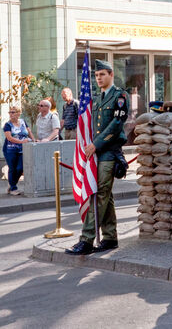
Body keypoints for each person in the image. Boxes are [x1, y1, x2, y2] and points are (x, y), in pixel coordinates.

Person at [65, 59, 129, 255]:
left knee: (99, 194)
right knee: (105, 195)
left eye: (102, 74)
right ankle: (110, 237)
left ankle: (86, 239)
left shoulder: (120, 96)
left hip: (109, 152)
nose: (98, 78)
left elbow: (117, 124)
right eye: (96, 75)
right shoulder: (97, 99)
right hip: (96, 154)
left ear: (111, 74)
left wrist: (96, 144)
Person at [3, 105, 35, 195]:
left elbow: (29, 132)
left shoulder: (23, 122)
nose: (10, 114)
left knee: (20, 168)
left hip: (22, 149)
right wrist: (21, 142)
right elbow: (9, 138)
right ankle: (13, 188)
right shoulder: (7, 125)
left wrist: (33, 140)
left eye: (13, 112)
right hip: (10, 149)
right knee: (12, 168)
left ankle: (12, 183)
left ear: (18, 113)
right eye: (10, 112)